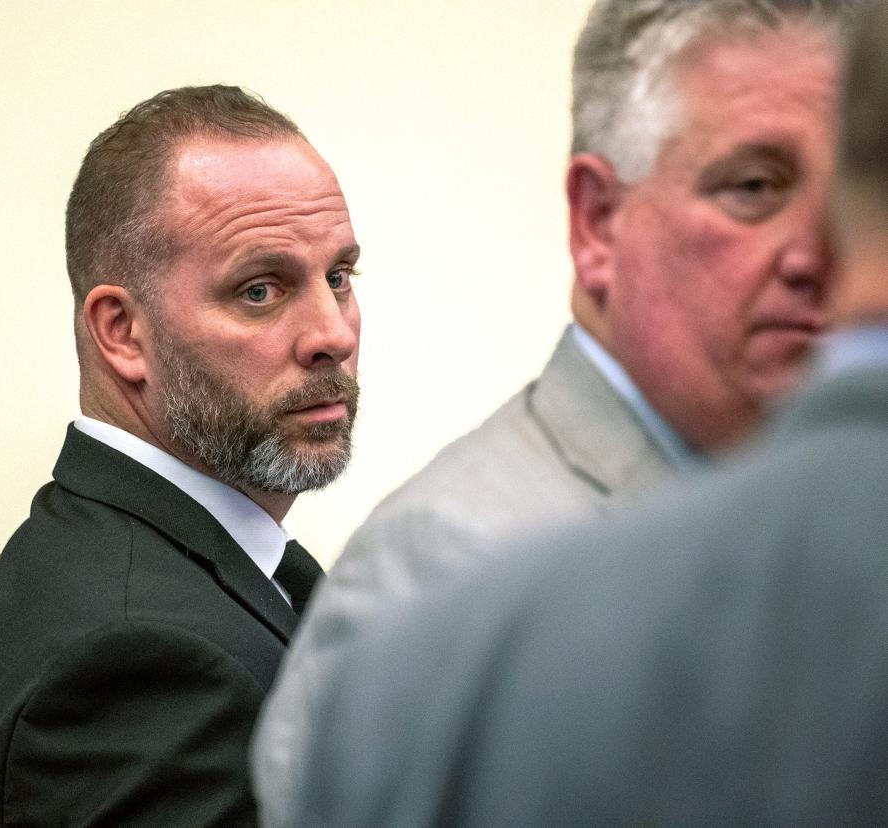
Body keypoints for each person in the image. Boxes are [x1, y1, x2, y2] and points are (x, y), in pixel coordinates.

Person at [284, 1, 888, 824]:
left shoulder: (827, 516)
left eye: (844, 196)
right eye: (754, 188)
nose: (818, 253)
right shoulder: (443, 566)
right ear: (598, 221)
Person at [0, 84, 360, 827]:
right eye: (261, 290)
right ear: (122, 333)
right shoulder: (137, 660)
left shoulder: (136, 557)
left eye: (338, 277)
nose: (332, 333)